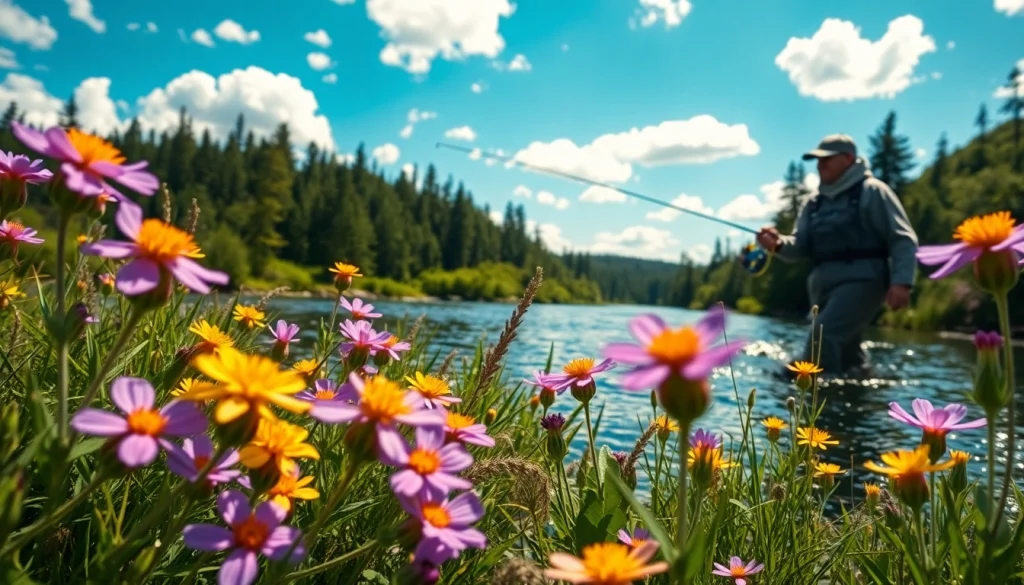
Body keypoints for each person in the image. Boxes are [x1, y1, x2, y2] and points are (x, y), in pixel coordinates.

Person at [756, 134, 918, 376]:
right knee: (845, 349)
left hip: (863, 281)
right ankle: (859, 386)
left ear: (849, 159)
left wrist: (901, 282)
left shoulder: (873, 191)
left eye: (827, 159)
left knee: (823, 334)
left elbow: (902, 238)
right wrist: (777, 244)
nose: (820, 165)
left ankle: (818, 397)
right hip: (822, 286)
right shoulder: (813, 203)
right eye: (817, 160)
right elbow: (800, 246)